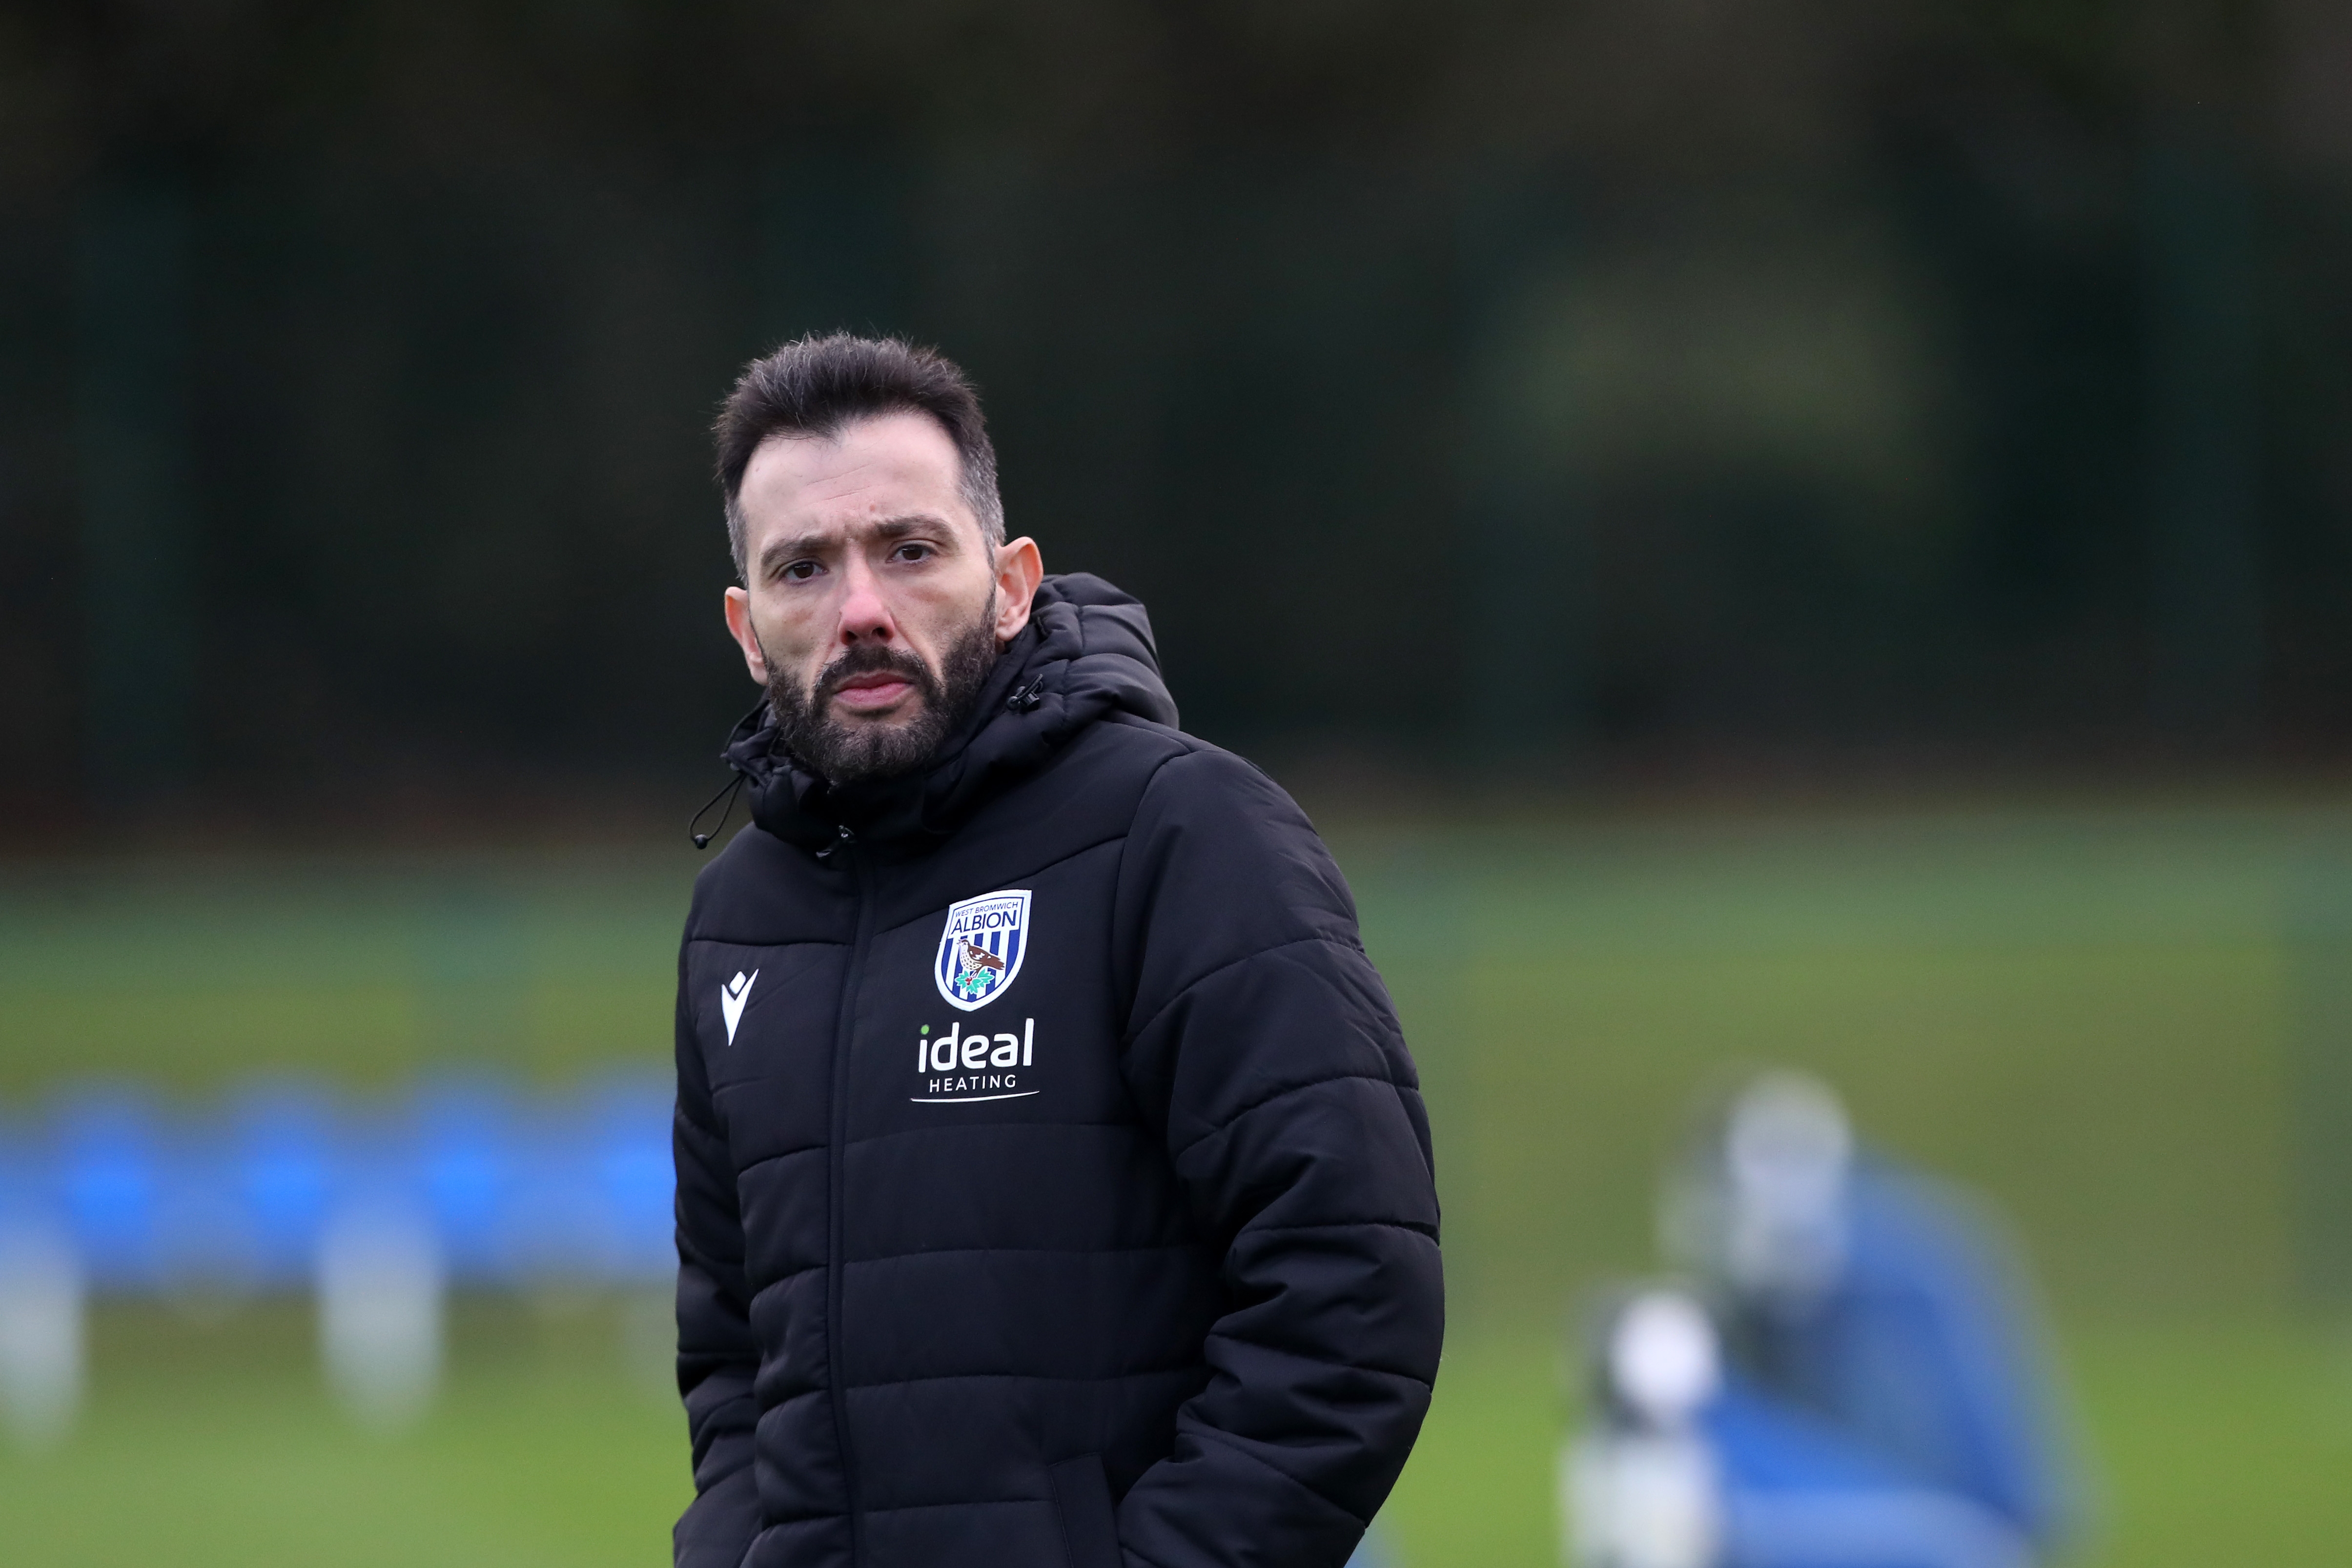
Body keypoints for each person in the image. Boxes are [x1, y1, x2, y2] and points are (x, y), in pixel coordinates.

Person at [671, 334, 1444, 1568]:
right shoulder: (737, 919)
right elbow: (730, 1355)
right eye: (802, 567)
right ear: (748, 630)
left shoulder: (1182, 833)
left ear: (1015, 579)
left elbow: (1350, 1294)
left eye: (910, 550)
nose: (860, 607)